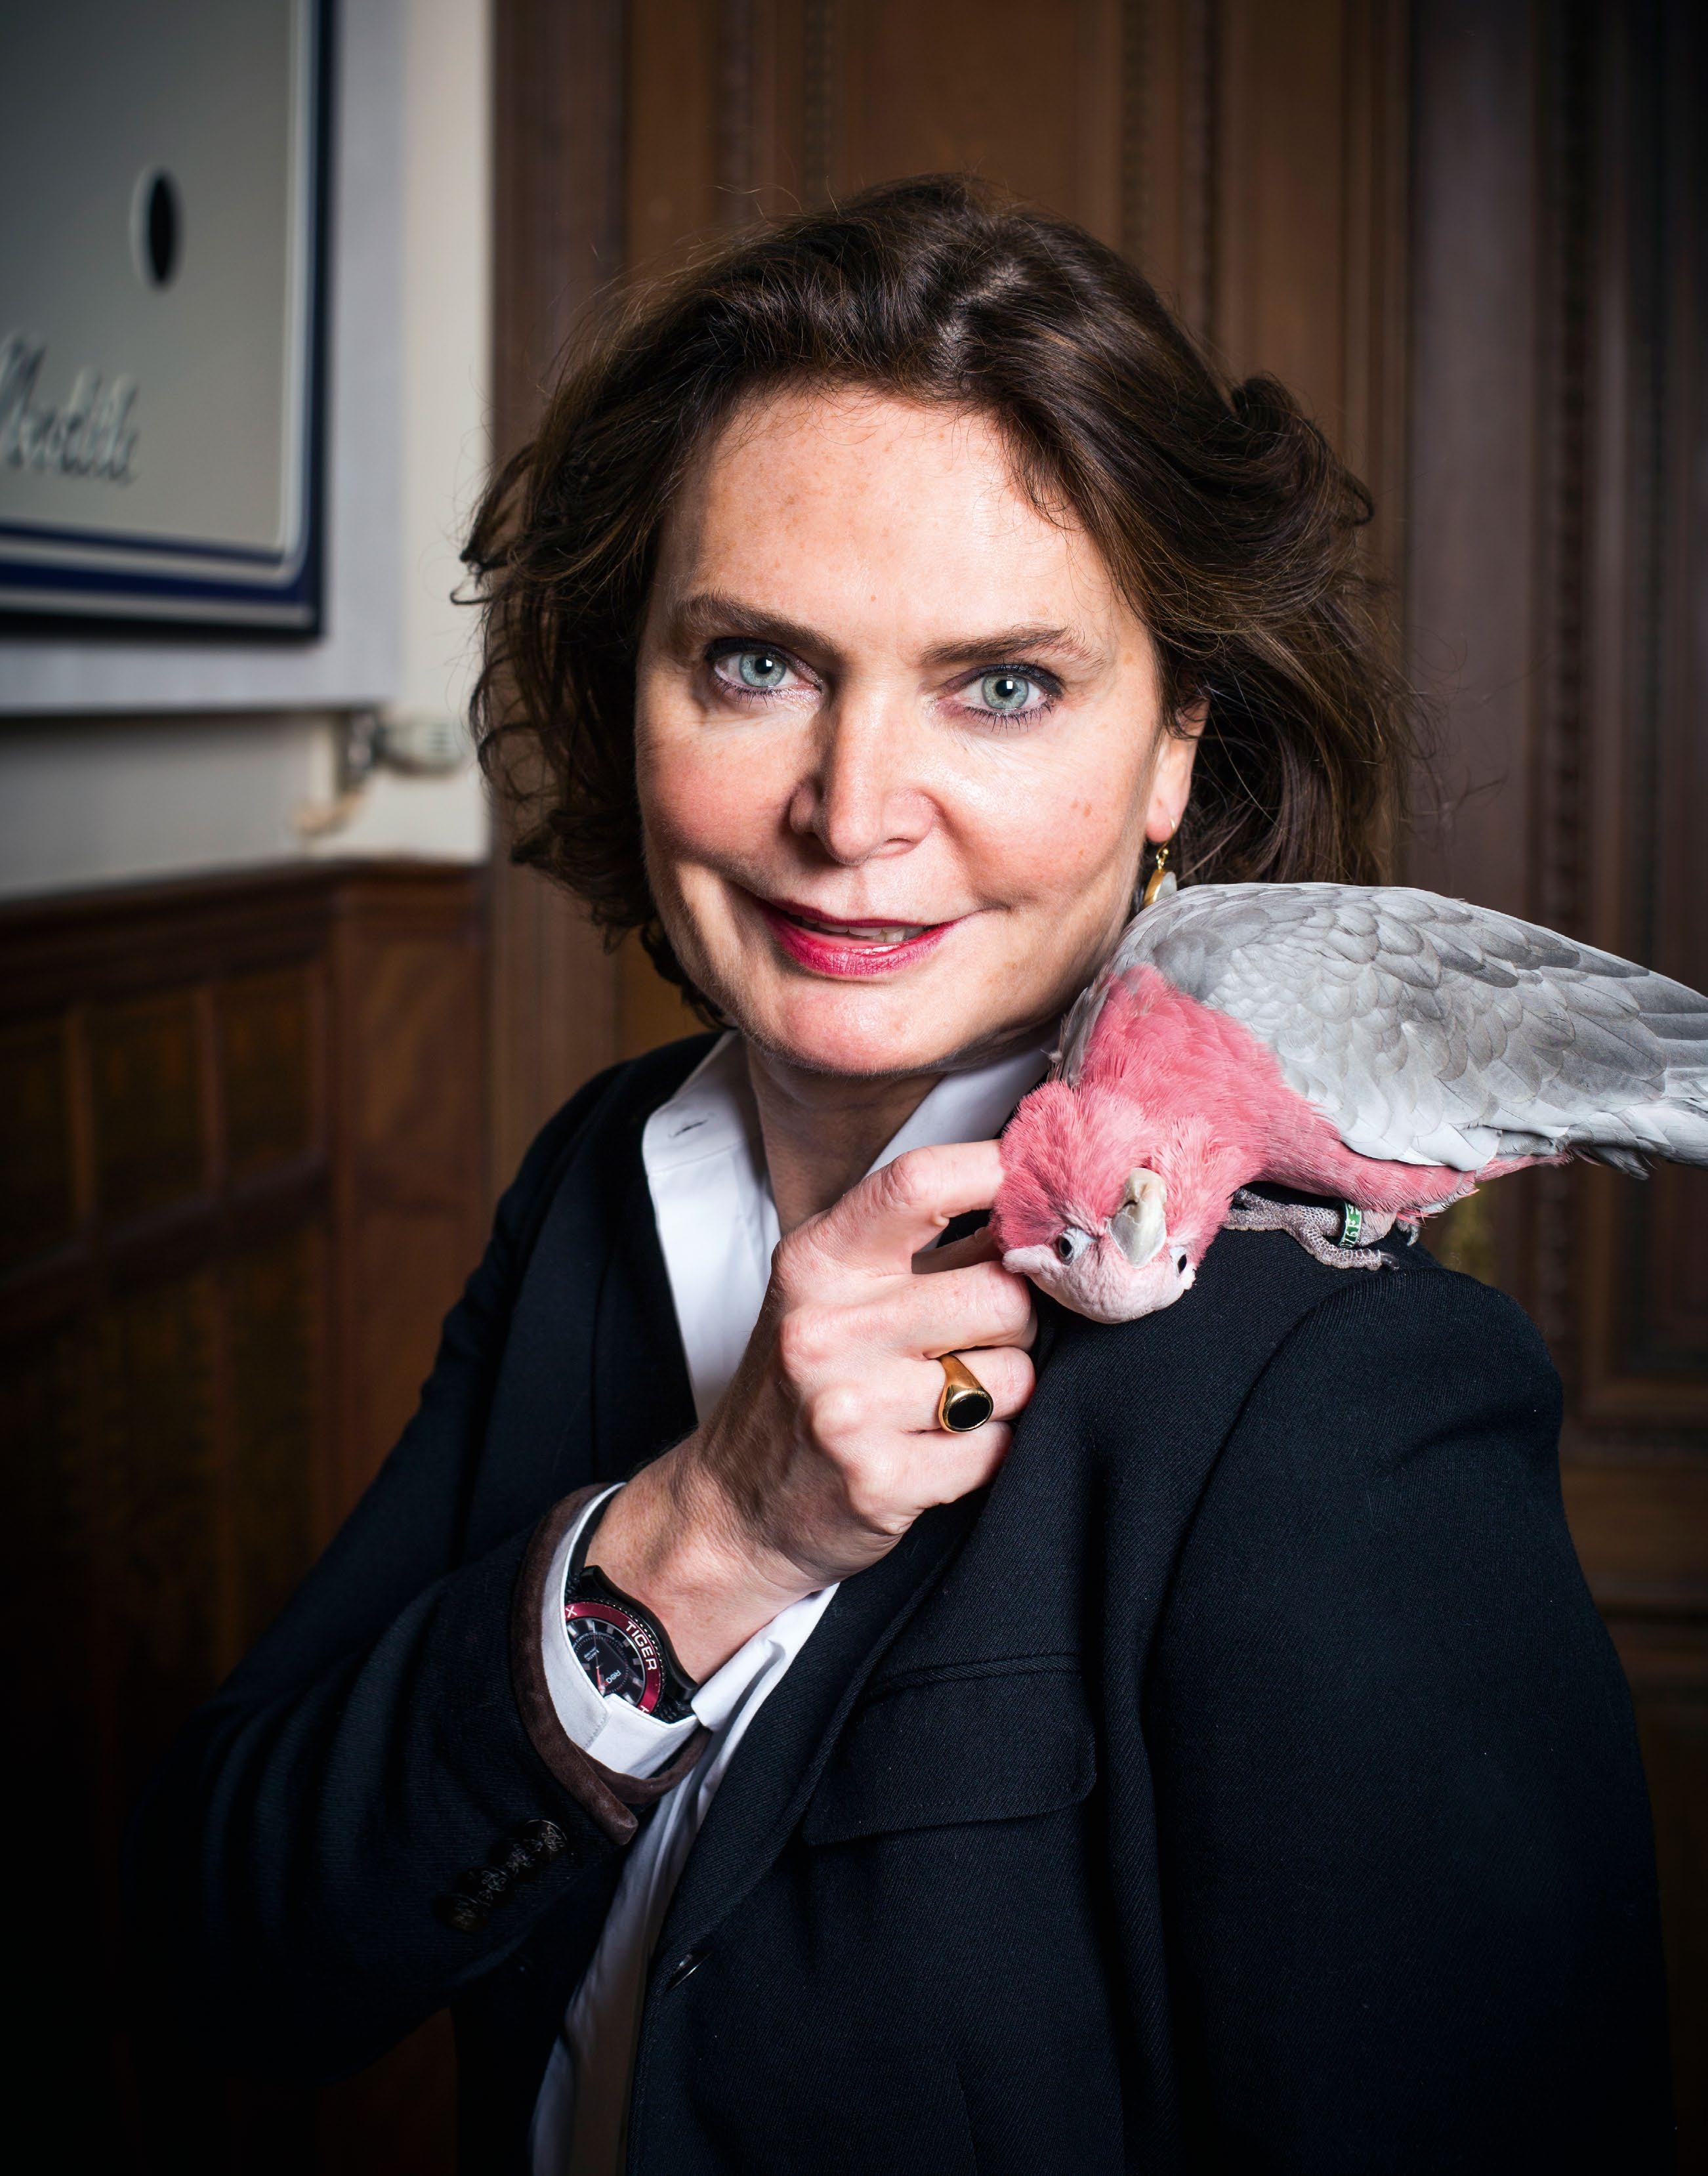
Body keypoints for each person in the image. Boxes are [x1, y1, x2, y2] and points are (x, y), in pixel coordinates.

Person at [130, 177, 1671, 2173]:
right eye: (754, 664)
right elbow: (230, 1951)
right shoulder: (602, 1178)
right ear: (629, 689)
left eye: (1001, 684)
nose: (853, 812)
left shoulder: (1338, 1388)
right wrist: (707, 1532)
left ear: (1173, 755)